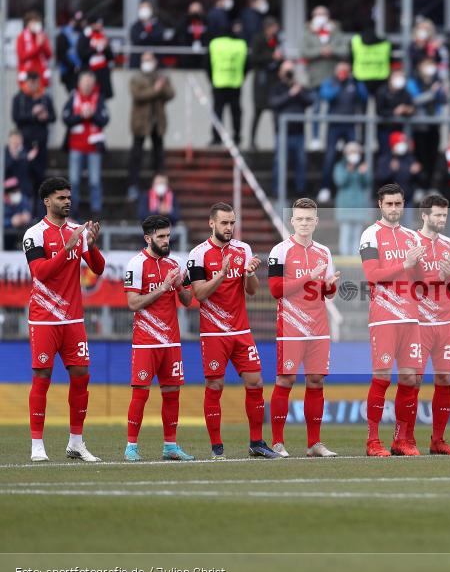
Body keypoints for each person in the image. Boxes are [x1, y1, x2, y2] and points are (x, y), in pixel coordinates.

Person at [186, 202, 279, 459]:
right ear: (212, 223)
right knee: (215, 385)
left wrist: (249, 273)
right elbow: (199, 294)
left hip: (241, 331)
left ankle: (256, 442)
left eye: (232, 223)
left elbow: (252, 290)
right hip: (213, 333)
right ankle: (217, 447)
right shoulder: (198, 254)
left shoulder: (243, 249)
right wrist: (221, 274)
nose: (229, 227)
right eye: (224, 223)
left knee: (256, 381)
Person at [23, 177, 105, 462]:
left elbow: (98, 268)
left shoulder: (77, 232)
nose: (67, 201)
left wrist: (91, 245)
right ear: (47, 201)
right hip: (44, 319)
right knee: (42, 377)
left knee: (82, 375)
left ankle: (76, 443)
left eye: (69, 197)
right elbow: (41, 273)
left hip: (73, 320)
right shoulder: (34, 234)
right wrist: (68, 249)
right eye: (61, 197)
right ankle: (37, 444)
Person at [267, 198, 340, 458]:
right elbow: (275, 290)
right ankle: (277, 442)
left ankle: (314, 444)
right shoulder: (280, 250)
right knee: (285, 379)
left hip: (318, 326)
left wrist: (330, 286)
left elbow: (328, 293)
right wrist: (309, 276)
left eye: (309, 219)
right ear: (292, 221)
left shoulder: (324, 252)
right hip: (291, 327)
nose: (304, 223)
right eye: (300, 219)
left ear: (316, 221)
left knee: (316, 381)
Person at [359, 184, 425, 456]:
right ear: (380, 205)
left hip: (410, 316)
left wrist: (420, 267)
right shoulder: (370, 234)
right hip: (384, 317)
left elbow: (419, 280)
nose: (394, 208)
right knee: (382, 376)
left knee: (410, 378)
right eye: (389, 204)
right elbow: (372, 275)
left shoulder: (412, 236)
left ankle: (401, 440)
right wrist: (405, 264)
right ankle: (373, 441)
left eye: (398, 203)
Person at [122, 215, 194, 462]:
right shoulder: (136, 264)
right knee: (140, 393)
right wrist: (162, 288)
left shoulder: (175, 264)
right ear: (147, 238)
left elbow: (188, 301)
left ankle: (170, 446)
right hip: (146, 341)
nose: (166, 241)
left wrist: (180, 285)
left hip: (171, 340)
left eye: (168, 236)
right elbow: (133, 303)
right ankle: (131, 446)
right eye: (161, 236)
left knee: (172, 392)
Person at [412, 194, 450, 455]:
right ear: (424, 215)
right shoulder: (411, 241)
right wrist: (435, 277)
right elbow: (405, 282)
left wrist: (448, 276)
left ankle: (438, 440)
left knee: (444, 378)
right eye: (437, 215)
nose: (442, 219)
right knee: (413, 379)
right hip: (418, 323)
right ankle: (405, 440)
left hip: (445, 322)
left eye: (445, 215)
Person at [62, 72, 109, 220]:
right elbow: (66, 118)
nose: (87, 85)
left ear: (93, 84)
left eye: (90, 82)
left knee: (94, 181)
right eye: (85, 82)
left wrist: (92, 115)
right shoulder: (73, 97)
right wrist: (80, 116)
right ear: (79, 83)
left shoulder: (99, 98)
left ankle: (96, 210)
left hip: (94, 148)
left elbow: (105, 119)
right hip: (76, 146)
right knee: (74, 181)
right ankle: (72, 209)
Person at [301, 6, 349, 150]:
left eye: (323, 14)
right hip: (315, 78)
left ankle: (336, 139)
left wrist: (331, 50)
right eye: (317, 14)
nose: (320, 17)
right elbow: (304, 51)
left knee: (334, 109)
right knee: (316, 109)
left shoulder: (336, 32)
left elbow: (345, 50)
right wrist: (320, 51)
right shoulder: (307, 33)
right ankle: (315, 138)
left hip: (333, 78)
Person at [128, 53, 175, 194]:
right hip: (140, 122)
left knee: (158, 155)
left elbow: (171, 94)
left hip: (157, 122)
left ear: (155, 62)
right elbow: (138, 96)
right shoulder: (136, 78)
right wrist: (155, 90)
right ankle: (133, 186)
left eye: (149, 60)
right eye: (144, 60)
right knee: (136, 155)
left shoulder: (162, 77)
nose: (147, 63)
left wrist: (162, 86)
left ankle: (160, 186)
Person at [319, 62, 368, 198]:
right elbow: (325, 96)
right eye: (340, 70)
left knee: (354, 155)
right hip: (334, 126)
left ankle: (356, 186)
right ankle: (325, 187)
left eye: (345, 70)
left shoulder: (354, 83)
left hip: (349, 126)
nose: (343, 72)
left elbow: (364, 97)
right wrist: (339, 85)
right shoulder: (330, 82)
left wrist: (357, 82)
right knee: (329, 156)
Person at [270, 60, 316, 198]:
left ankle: (300, 191)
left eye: (291, 70)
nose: (289, 73)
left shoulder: (299, 87)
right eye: (286, 70)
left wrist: (298, 91)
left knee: (301, 162)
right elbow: (274, 103)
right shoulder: (276, 87)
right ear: (280, 73)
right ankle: (276, 190)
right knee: (279, 162)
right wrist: (290, 94)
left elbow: (310, 101)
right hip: (282, 132)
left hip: (298, 132)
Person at [11, 71, 55, 210]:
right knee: (24, 177)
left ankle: (38, 211)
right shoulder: (19, 98)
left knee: (40, 178)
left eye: (36, 82)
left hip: (41, 145)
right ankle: (25, 209)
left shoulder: (45, 98)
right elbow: (16, 117)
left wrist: (45, 116)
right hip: (24, 145)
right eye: (31, 82)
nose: (33, 85)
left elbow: (53, 117)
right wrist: (33, 114)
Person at [408, 57, 447, 190]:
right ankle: (420, 186)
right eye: (426, 65)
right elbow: (414, 100)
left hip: (434, 125)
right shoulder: (413, 82)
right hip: (420, 126)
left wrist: (442, 92)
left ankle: (431, 186)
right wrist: (432, 93)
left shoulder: (437, 82)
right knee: (421, 156)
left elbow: (444, 101)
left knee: (433, 156)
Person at [208, 21, 248, 146]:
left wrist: (212, 78)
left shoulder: (215, 44)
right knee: (236, 113)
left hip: (218, 83)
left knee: (218, 112)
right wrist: (241, 76)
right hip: (235, 83)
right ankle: (237, 137)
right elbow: (248, 64)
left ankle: (216, 138)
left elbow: (206, 63)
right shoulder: (241, 44)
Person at [248, 17, 283, 150]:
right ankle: (252, 141)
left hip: (274, 80)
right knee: (258, 111)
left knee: (275, 113)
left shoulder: (277, 40)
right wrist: (271, 56)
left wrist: (279, 59)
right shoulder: (258, 39)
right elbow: (254, 58)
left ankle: (277, 141)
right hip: (261, 82)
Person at [333, 142, 372, 255]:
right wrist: (348, 172)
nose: (354, 154)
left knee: (357, 234)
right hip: (345, 205)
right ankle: (345, 256)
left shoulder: (362, 166)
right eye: (351, 152)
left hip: (359, 205)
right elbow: (339, 181)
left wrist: (363, 174)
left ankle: (355, 257)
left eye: (356, 152)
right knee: (345, 232)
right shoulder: (340, 166)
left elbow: (368, 183)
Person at [375, 132, 422, 220]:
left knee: (407, 226)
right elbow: (379, 178)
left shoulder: (410, 158)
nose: (403, 145)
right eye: (400, 143)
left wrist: (417, 173)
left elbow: (421, 180)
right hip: (390, 202)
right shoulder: (385, 159)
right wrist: (390, 170)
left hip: (407, 201)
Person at [374, 70, 415, 158]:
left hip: (399, 128)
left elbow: (412, 107)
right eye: (397, 76)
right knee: (385, 153)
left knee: (401, 153)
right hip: (384, 128)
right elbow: (379, 111)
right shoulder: (382, 91)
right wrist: (394, 112)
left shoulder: (405, 92)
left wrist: (407, 110)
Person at [350, 20, 391, 97]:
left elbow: (351, 59)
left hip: (361, 77)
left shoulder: (355, 41)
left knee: (361, 103)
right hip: (381, 77)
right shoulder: (385, 42)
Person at [77, 16, 114, 100]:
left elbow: (110, 57)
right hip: (89, 72)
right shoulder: (85, 36)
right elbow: (81, 54)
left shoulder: (103, 36)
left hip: (102, 73)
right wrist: (96, 49)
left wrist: (106, 48)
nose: (100, 25)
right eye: (97, 23)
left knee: (102, 98)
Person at [16, 11, 52, 90]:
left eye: (37, 22)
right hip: (27, 75)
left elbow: (49, 55)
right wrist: (37, 46)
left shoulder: (42, 36)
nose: (35, 24)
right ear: (27, 24)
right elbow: (22, 56)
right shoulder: (21, 37)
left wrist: (42, 45)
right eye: (33, 22)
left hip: (41, 75)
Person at [128, 2, 164, 69]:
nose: (144, 10)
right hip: (137, 61)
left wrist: (145, 36)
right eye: (142, 8)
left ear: (151, 10)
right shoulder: (135, 26)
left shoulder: (157, 25)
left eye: (146, 8)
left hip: (155, 59)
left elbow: (158, 38)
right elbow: (136, 39)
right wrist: (148, 36)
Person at [56, 11, 84, 92]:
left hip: (80, 70)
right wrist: (73, 66)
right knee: (73, 94)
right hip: (69, 71)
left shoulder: (81, 32)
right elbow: (60, 54)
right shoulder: (64, 33)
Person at [179, 2, 208, 69]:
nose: (195, 14)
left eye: (198, 11)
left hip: (202, 55)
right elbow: (180, 34)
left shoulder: (206, 21)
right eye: (194, 12)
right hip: (188, 54)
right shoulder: (185, 22)